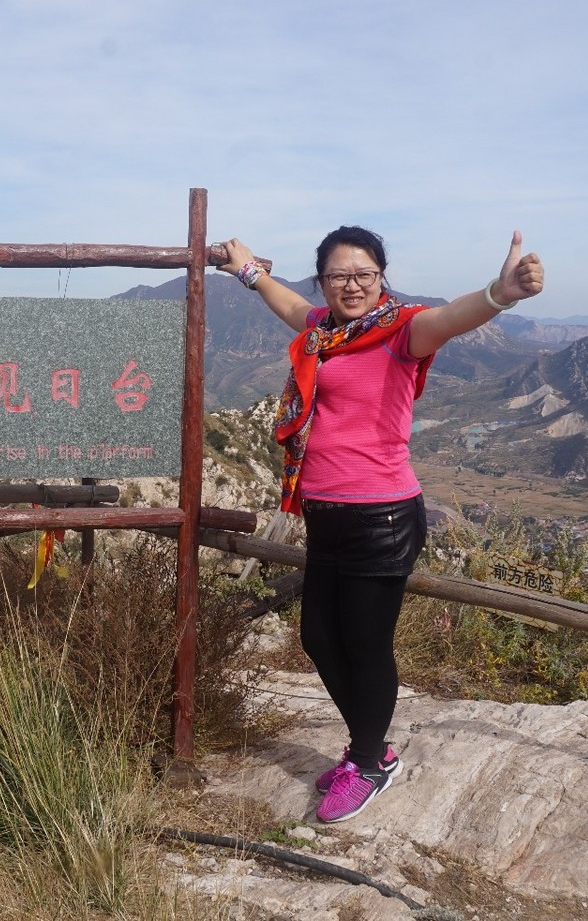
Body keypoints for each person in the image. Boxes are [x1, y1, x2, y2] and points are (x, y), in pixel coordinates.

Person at [219, 226, 544, 824]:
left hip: (382, 516)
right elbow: (287, 304)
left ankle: (369, 762)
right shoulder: (323, 329)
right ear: (322, 280)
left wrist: (500, 294)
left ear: (382, 277)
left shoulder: (402, 332)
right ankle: (371, 747)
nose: (352, 285)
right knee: (319, 638)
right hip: (323, 512)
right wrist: (246, 269)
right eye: (339, 275)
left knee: (366, 646)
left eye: (364, 274)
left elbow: (451, 318)